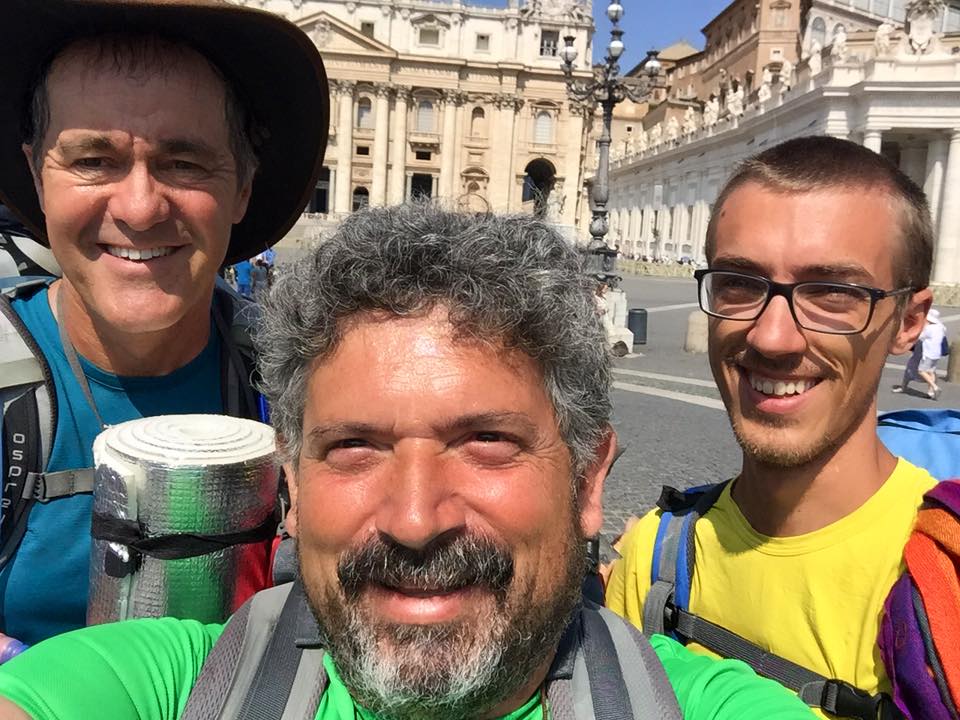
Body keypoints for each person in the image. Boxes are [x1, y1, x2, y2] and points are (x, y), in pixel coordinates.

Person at [0, 204, 813, 720]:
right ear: (290, 485)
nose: (416, 519)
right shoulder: (165, 686)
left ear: (590, 479)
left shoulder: (704, 706)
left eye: (486, 442)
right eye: (353, 447)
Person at [0, 0, 329, 646]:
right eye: (94, 160)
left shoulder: (303, 388)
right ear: (40, 178)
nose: (141, 207)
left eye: (184, 163)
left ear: (242, 188)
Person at [606, 136, 937, 719]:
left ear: (909, 321)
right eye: (738, 282)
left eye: (833, 292)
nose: (771, 336)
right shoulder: (651, 558)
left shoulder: (943, 579)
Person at [894, 308, 947, 399]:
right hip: (936, 354)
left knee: (921, 371)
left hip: (927, 353)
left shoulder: (929, 328)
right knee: (931, 371)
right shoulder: (940, 327)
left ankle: (934, 387)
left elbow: (920, 336)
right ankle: (931, 392)